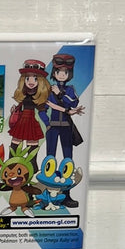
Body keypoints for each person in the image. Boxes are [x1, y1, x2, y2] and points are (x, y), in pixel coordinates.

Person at [45, 54, 85, 207]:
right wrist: (47, 123)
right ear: (54, 73)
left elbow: (73, 102)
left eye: (65, 72)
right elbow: (43, 108)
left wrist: (59, 94)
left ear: (69, 74)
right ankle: (48, 195)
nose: (62, 75)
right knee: (50, 160)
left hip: (67, 128)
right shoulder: (48, 89)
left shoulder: (70, 89)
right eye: (59, 71)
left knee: (68, 160)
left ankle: (66, 195)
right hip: (53, 128)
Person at [9, 60, 51, 173]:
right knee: (16, 142)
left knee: (32, 144)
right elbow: (20, 105)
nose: (31, 81)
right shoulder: (23, 93)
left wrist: (47, 123)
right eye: (28, 78)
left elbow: (42, 111)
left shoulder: (39, 95)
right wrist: (14, 110)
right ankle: (11, 164)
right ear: (23, 80)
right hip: (22, 120)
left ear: (40, 81)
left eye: (35, 78)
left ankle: (32, 166)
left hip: (31, 120)